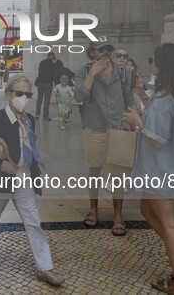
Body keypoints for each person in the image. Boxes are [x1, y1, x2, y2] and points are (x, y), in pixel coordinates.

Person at [0, 76, 65, 287]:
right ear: (9, 94)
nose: (25, 98)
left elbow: (30, 146)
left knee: (33, 222)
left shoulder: (29, 118)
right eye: (20, 93)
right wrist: (0, 164)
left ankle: (45, 268)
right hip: (0, 178)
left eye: (28, 94)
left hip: (23, 177)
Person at [124, 43, 174, 295]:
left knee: (169, 224)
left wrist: (138, 122)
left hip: (160, 171)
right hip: (161, 169)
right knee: (147, 210)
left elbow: (157, 138)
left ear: (162, 64)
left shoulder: (165, 100)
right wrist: (142, 108)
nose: (150, 63)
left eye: (152, 59)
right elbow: (163, 122)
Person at [73, 37, 136, 236]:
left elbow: (128, 97)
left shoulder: (122, 72)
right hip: (95, 127)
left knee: (119, 175)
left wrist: (133, 118)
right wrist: (92, 73)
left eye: (109, 49)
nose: (106, 54)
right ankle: (93, 209)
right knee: (94, 170)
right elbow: (79, 97)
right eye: (101, 50)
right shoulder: (84, 71)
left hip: (119, 127)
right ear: (92, 53)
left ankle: (118, 216)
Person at [35, 52, 56, 120]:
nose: (53, 59)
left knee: (39, 99)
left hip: (40, 83)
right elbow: (54, 74)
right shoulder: (53, 64)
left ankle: (37, 114)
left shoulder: (42, 62)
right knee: (47, 100)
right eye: (53, 57)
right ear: (51, 56)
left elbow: (39, 72)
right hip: (48, 84)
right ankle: (45, 116)